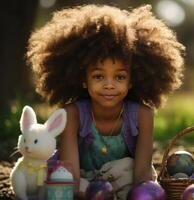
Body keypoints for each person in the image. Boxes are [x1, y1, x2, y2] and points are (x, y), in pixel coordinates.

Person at [27, 4, 184, 199]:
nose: (109, 85)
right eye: (99, 76)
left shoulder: (143, 114)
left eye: (119, 77)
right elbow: (70, 175)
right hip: (80, 181)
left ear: (132, 79)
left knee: (132, 176)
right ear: (83, 79)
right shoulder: (72, 114)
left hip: (122, 178)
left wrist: (142, 192)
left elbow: (142, 174)